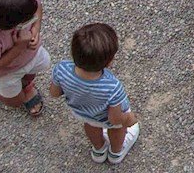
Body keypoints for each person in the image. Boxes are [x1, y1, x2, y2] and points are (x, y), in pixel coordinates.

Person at [49, 22, 139, 164]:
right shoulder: (112, 87)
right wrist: (128, 119)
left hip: (84, 113)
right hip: (107, 117)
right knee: (116, 129)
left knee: (91, 125)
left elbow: (54, 93)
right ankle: (116, 153)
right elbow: (115, 119)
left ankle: (99, 149)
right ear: (109, 62)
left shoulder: (61, 69)